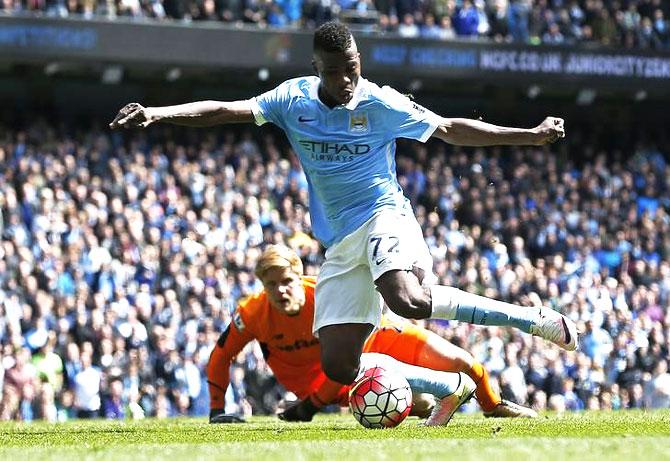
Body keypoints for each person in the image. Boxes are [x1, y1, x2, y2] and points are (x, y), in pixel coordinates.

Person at [110, 21, 577, 390]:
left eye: (352, 65)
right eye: (334, 70)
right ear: (317, 69)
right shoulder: (290, 100)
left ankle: (534, 320)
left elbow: (451, 129)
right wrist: (157, 114)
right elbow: (224, 109)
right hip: (339, 240)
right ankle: (448, 385)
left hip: (383, 215)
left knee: (407, 300)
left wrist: (530, 136)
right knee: (336, 366)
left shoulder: (380, 102)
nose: (347, 78)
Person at [206, 244, 537, 424]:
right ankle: (441, 396)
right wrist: (217, 411)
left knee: (463, 362)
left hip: (371, 342)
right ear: (263, 287)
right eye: (271, 285)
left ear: (300, 276)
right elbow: (221, 356)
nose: (281, 290)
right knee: (417, 404)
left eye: (287, 281)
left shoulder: (324, 292)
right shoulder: (251, 313)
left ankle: (493, 406)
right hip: (321, 381)